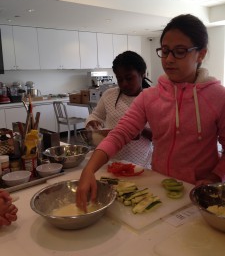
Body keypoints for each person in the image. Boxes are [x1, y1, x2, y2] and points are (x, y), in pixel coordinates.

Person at [76, 14, 225, 211]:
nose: (169, 59)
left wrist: (213, 178)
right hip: (161, 186)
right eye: (164, 51)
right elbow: (119, 134)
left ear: (201, 54)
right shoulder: (149, 97)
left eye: (179, 51)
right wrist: (88, 169)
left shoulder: (218, 96)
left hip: (201, 193)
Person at [86, 50, 153, 168]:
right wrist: (92, 122)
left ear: (142, 74)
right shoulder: (109, 95)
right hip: (112, 161)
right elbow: (96, 115)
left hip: (141, 164)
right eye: (120, 79)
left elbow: (161, 137)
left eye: (129, 78)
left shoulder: (152, 97)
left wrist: (141, 131)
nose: (124, 84)